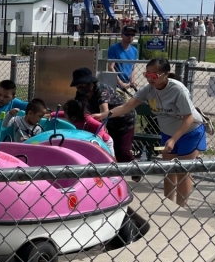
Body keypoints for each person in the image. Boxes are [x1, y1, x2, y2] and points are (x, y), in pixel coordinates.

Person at [109, 58, 206, 207]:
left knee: (183, 171)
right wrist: (105, 115)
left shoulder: (177, 90)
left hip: (189, 132)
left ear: (165, 74)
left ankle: (181, 207)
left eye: (154, 75)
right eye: (147, 74)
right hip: (168, 133)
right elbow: (126, 106)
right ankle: (169, 204)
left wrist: (174, 139)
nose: (149, 78)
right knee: (168, 169)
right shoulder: (148, 89)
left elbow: (189, 118)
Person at [70, 67, 136, 162]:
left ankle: (136, 171)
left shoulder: (101, 89)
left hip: (123, 120)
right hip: (106, 121)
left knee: (122, 151)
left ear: (90, 83)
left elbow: (104, 110)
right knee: (108, 149)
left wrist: (101, 130)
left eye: (83, 85)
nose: (81, 88)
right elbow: (77, 110)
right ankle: (114, 173)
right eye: (78, 86)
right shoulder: (80, 94)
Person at [107, 26, 139, 92]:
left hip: (127, 84)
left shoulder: (134, 50)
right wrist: (120, 83)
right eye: (127, 34)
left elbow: (132, 68)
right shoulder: (114, 48)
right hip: (115, 84)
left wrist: (132, 81)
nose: (130, 37)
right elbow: (110, 67)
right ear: (121, 35)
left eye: (132, 35)